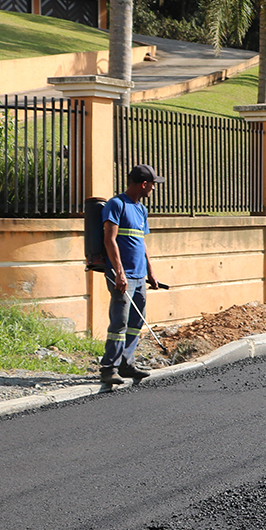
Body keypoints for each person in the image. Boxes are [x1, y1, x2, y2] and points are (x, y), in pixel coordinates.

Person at [100, 163, 162, 385]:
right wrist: (119, 272)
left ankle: (126, 363)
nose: (154, 189)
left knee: (136, 321)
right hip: (122, 276)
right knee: (120, 321)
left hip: (138, 275)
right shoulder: (116, 205)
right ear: (144, 184)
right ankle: (109, 368)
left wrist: (150, 272)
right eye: (153, 184)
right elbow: (110, 239)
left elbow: (141, 242)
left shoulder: (141, 209)